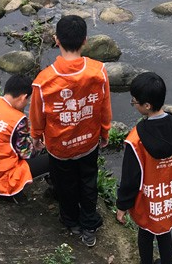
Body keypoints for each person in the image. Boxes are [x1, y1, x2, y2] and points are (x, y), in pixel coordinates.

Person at [30, 15, 112, 248]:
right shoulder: (98, 71)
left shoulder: (44, 80)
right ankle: (89, 226)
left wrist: (36, 137)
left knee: (65, 185)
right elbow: (104, 107)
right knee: (88, 183)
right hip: (88, 142)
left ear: (57, 40)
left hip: (59, 147)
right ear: (85, 41)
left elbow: (37, 115)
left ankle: (71, 222)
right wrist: (105, 132)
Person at [115, 73, 172, 264]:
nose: (133, 103)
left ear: (146, 106)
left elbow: (130, 179)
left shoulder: (136, 140)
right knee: (164, 230)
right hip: (171, 197)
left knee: (146, 232)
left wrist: (122, 206)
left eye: (134, 101)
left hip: (149, 201)